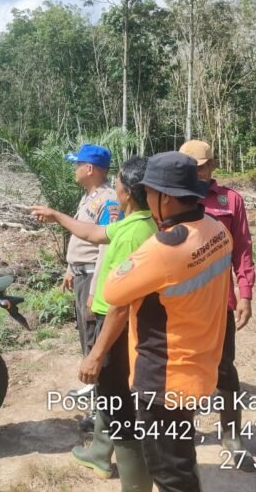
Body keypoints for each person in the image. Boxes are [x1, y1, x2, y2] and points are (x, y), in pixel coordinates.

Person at [104, 151, 232, 492]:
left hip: (164, 378)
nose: (145, 199)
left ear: (167, 198)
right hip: (198, 366)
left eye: (150, 193)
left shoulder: (164, 248)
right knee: (180, 456)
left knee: (170, 473)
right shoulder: (217, 230)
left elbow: (113, 290)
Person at [31, 156, 156, 491]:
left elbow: (120, 305)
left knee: (120, 411)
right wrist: (57, 216)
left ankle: (134, 483)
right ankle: (110, 460)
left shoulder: (133, 234)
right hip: (116, 322)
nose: (113, 187)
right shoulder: (138, 223)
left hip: (115, 327)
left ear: (127, 192)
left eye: (117, 183)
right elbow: (96, 233)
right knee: (118, 401)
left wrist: (96, 354)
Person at [179, 140, 256, 472]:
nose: (198, 173)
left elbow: (243, 251)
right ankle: (183, 430)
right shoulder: (171, 199)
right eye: (191, 168)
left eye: (202, 166)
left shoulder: (229, 201)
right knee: (183, 367)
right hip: (178, 302)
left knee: (225, 368)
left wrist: (246, 294)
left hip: (218, 302)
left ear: (212, 166)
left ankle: (231, 433)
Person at [62, 143, 121, 398]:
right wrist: (70, 268)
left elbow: (106, 248)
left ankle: (102, 398)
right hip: (81, 273)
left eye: (77, 164)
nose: (74, 170)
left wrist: (95, 289)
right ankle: (94, 388)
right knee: (85, 333)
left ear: (89, 168)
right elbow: (81, 237)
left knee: (93, 335)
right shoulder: (90, 196)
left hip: (92, 277)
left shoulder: (108, 201)